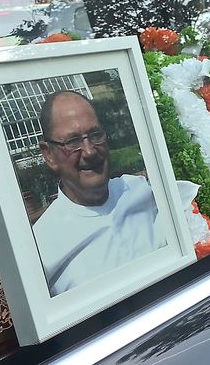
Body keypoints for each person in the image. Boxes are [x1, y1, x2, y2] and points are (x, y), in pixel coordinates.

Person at [34, 91, 165, 295]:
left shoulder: (142, 190)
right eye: (73, 142)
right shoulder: (42, 247)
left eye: (95, 135)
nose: (89, 151)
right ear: (49, 155)